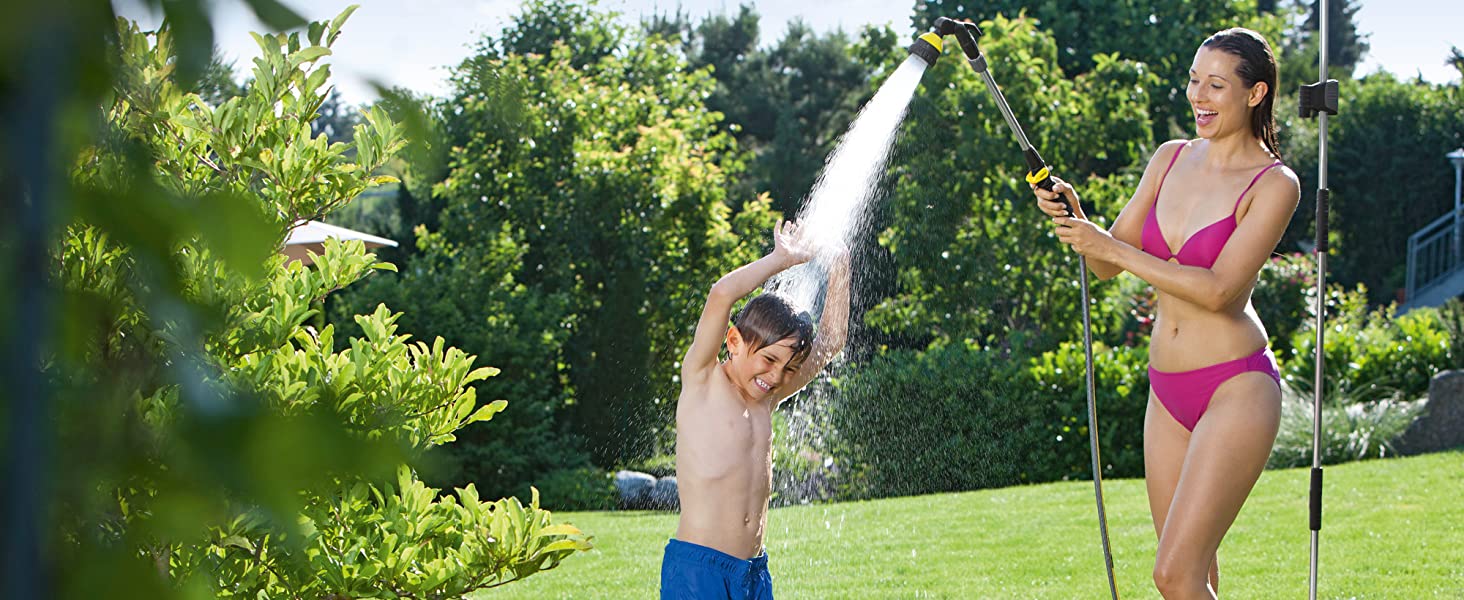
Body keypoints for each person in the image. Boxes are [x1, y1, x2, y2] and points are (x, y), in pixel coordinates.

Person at [1031, 28, 1300, 599]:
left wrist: (1114, 249)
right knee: (1193, 578)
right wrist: (1080, 220)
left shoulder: (1274, 184)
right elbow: (1107, 264)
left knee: (1172, 576)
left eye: (1216, 85)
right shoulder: (1170, 158)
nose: (1198, 96)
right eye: (1193, 81)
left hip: (1236, 387)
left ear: (1255, 94)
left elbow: (1220, 291)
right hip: (1167, 393)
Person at [661, 219, 850, 600]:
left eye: (788, 369)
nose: (776, 375)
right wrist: (780, 260)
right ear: (733, 340)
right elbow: (721, 294)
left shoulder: (766, 398)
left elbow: (831, 342)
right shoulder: (702, 380)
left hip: (753, 573)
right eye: (768, 360)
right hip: (699, 570)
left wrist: (840, 262)